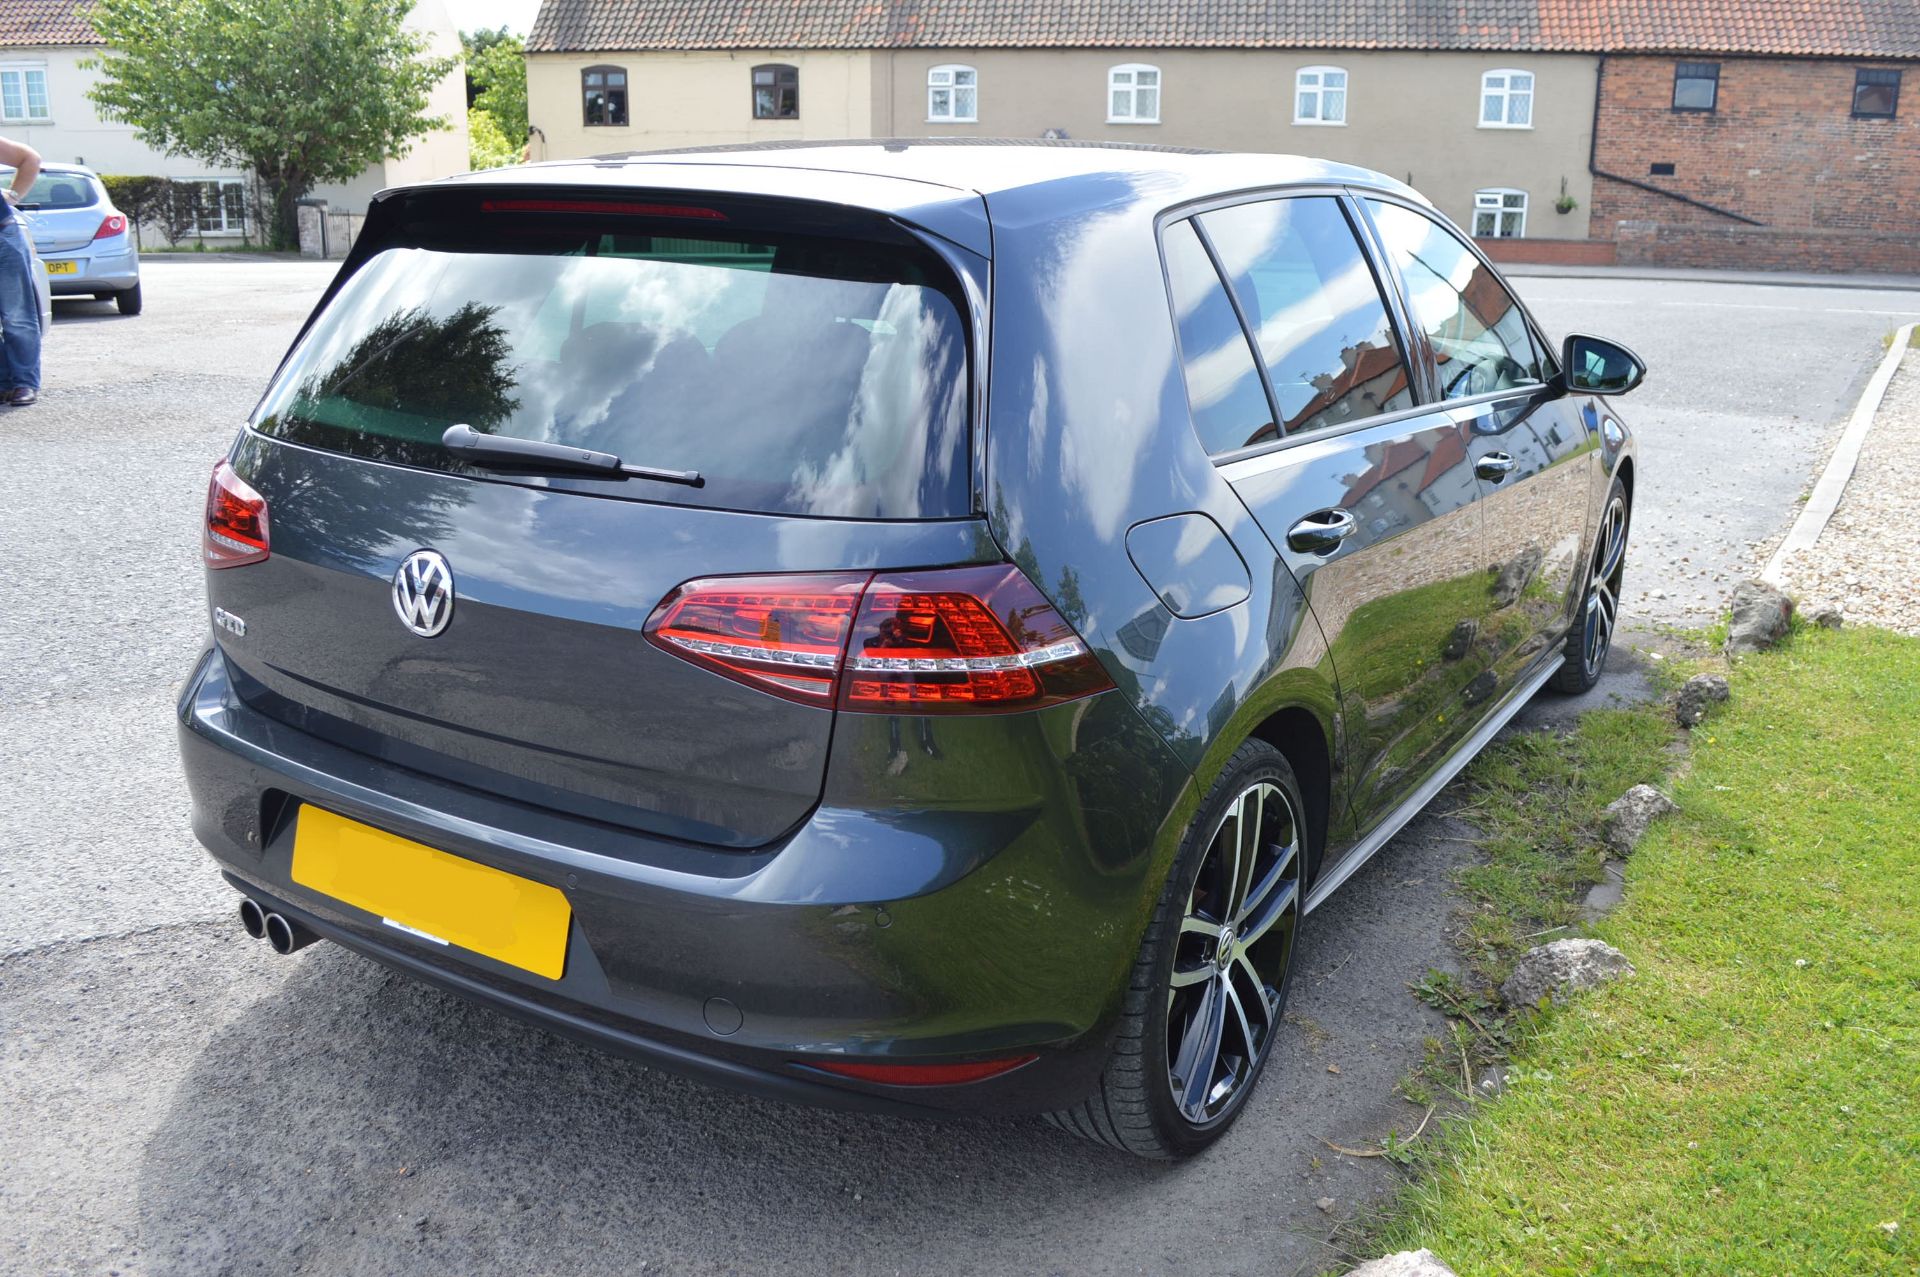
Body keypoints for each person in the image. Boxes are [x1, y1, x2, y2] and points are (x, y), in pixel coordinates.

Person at [0, 135, 42, 407]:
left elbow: (30, 159)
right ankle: (4, 383)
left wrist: (13, 195)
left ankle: (24, 382)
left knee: (17, 315)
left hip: (3, 236)